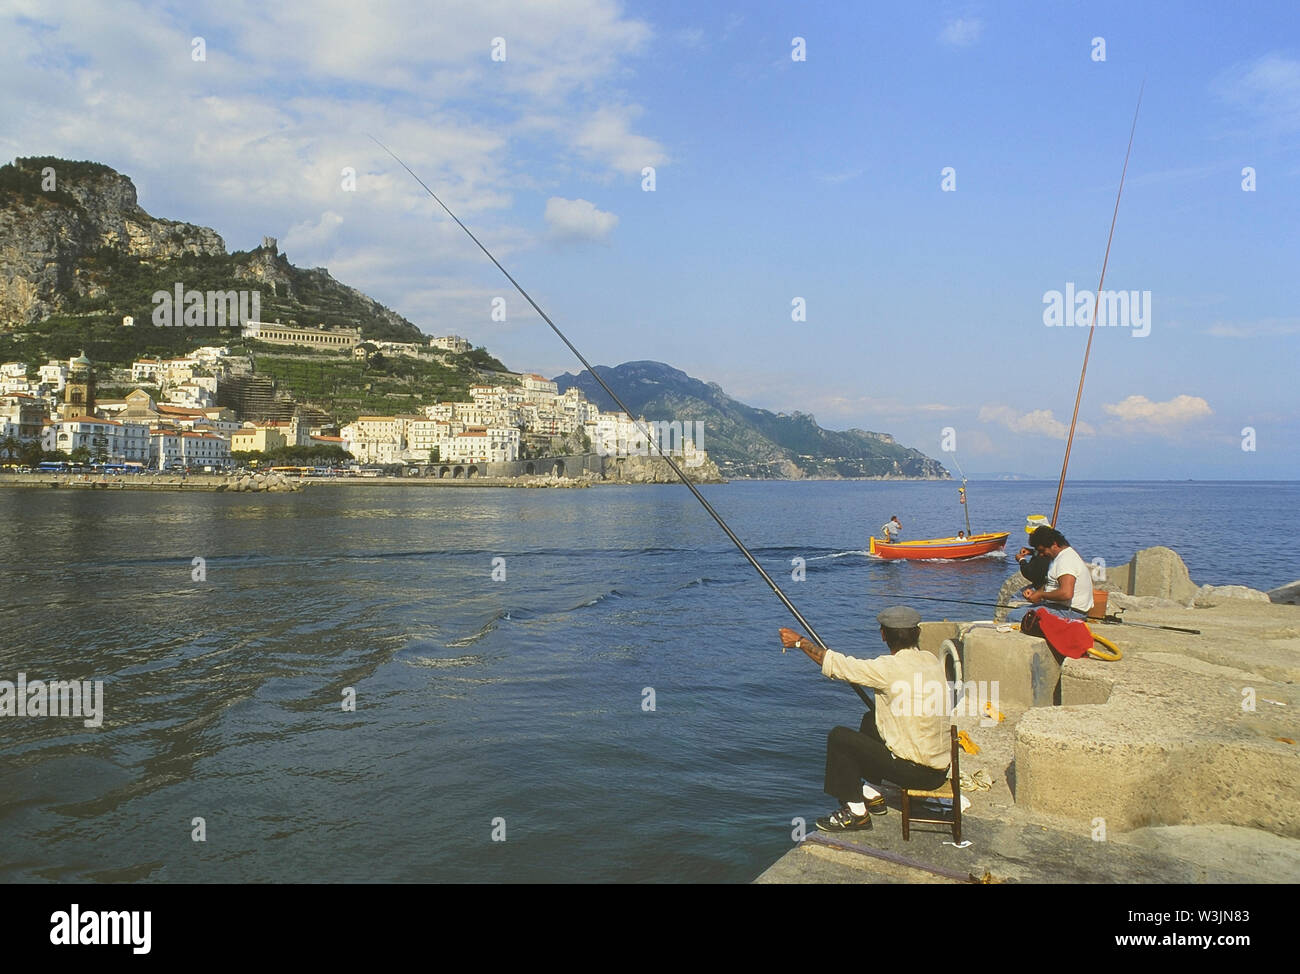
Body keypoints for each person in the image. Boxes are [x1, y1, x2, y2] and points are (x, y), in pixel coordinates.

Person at [779, 606, 950, 833]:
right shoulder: (930, 659)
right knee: (871, 718)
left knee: (839, 737)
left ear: (883, 635)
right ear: (917, 633)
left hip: (915, 774)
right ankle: (872, 792)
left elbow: (838, 666)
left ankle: (856, 813)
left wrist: (800, 642)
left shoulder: (888, 668)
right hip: (939, 771)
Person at [1021, 526, 1093, 615]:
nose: (1041, 555)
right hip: (1061, 607)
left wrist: (1041, 595)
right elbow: (1053, 583)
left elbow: (1066, 593)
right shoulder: (1061, 556)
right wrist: (1037, 593)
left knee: (1014, 616)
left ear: (1054, 544)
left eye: (1042, 550)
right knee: (1021, 610)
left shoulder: (1066, 560)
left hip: (1070, 612)